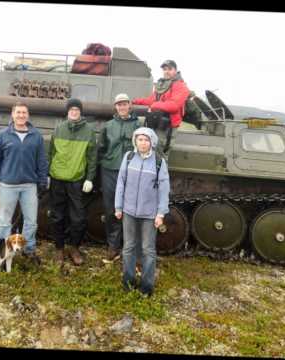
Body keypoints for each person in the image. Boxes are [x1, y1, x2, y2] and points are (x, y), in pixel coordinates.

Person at [0, 101, 48, 266]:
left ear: (28, 115)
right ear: (12, 115)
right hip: (8, 185)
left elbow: (41, 161)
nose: (21, 115)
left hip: (29, 185)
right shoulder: (2, 135)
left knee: (31, 221)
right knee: (4, 221)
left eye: (24, 113)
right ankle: (2, 251)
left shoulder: (36, 136)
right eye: (18, 112)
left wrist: (42, 182)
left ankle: (29, 250)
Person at [115, 127, 170, 296]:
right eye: (140, 139)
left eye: (146, 140)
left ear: (151, 142)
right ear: (135, 141)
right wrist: (118, 206)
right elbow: (121, 182)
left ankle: (147, 286)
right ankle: (128, 281)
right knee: (129, 247)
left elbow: (163, 188)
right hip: (129, 211)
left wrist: (161, 213)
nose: (143, 143)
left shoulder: (159, 161)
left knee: (148, 250)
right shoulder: (129, 157)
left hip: (149, 214)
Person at [48, 98, 97, 267]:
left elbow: (92, 157)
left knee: (78, 218)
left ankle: (74, 247)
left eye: (77, 109)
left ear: (80, 112)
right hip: (57, 179)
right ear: (67, 112)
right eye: (71, 109)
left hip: (76, 180)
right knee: (57, 215)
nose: (74, 112)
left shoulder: (89, 131)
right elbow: (51, 153)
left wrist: (90, 178)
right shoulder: (59, 128)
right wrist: (48, 174)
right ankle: (59, 248)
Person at [98, 93, 140, 264]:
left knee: (131, 209)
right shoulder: (108, 126)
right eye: (119, 104)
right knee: (112, 209)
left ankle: (129, 247)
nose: (122, 107)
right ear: (115, 107)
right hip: (110, 170)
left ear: (130, 105)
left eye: (125, 104)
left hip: (132, 171)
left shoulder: (138, 125)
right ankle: (113, 246)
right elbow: (101, 148)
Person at [132, 59, 190, 159]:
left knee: (161, 154)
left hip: (168, 126)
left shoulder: (180, 86)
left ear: (175, 70)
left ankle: (161, 174)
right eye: (164, 69)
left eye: (170, 69)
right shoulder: (162, 85)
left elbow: (174, 106)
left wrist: (155, 105)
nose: (166, 71)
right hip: (157, 123)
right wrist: (135, 101)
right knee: (151, 151)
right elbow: (152, 100)